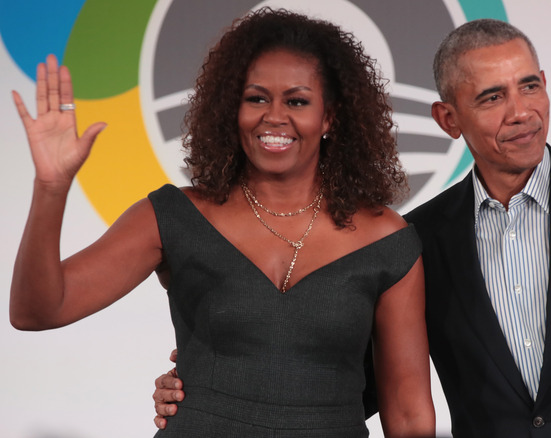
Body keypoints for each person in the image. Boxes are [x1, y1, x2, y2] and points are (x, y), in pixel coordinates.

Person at [153, 18, 551, 438]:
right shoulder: (417, 240)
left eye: (529, 86)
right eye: (491, 97)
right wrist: (214, 381)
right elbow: (353, 383)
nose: (522, 112)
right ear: (448, 118)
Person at [9, 8, 434, 438]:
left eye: (297, 101)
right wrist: (51, 186)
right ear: (232, 108)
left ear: (330, 117)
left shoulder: (387, 241)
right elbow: (38, 311)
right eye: (256, 98)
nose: (274, 116)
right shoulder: (173, 216)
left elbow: (410, 415)